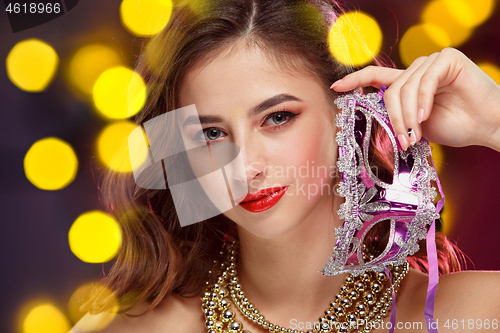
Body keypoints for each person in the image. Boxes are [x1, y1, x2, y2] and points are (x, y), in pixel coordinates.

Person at [74, 0, 500, 332]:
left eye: (277, 118)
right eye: (209, 134)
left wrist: (495, 121)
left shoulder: (471, 314)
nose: (245, 168)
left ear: (346, 114)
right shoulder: (134, 327)